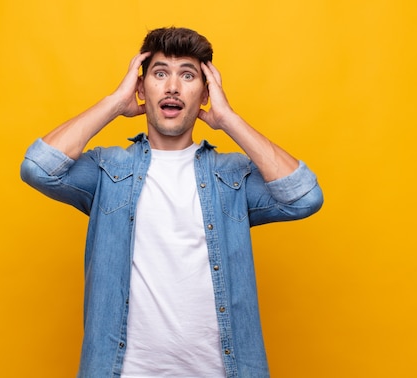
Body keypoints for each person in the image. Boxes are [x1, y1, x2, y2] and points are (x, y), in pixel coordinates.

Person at [20, 27, 323, 378]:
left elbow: (304, 196)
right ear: (142, 88)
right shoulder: (108, 170)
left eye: (188, 75)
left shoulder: (233, 178)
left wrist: (229, 120)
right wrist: (115, 103)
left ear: (206, 93)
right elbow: (38, 168)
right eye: (160, 73)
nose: (173, 87)